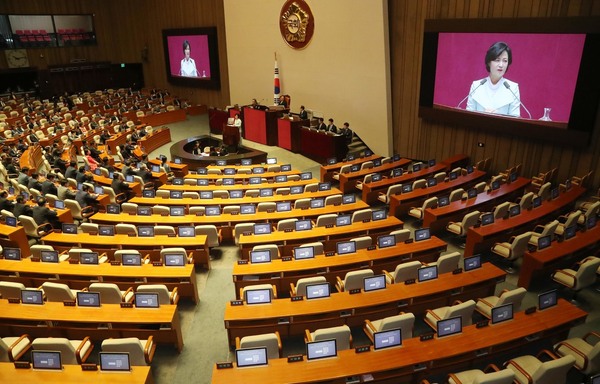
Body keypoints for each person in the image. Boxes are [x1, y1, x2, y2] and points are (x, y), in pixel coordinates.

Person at [466, 41, 521, 117]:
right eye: (497, 60)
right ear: (489, 62)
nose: (501, 65)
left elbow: (515, 120)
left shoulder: (512, 88)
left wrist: (498, 118)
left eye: (505, 61)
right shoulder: (477, 85)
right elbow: (468, 116)